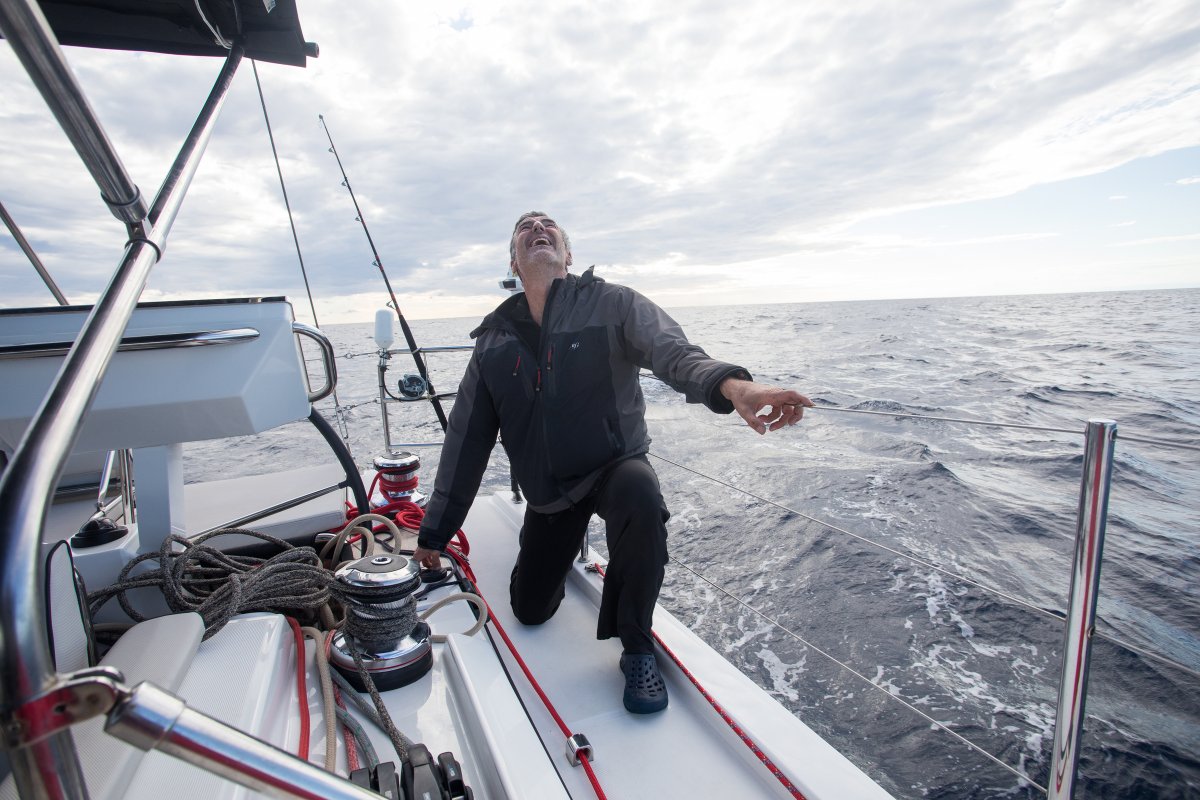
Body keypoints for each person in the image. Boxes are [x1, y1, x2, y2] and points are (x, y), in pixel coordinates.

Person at [414, 211, 812, 713]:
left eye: (548, 224)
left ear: (568, 253)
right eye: (524, 227)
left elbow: (674, 353)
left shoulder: (613, 303)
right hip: (550, 493)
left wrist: (734, 386)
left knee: (641, 495)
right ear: (514, 262)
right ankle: (553, 558)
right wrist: (435, 532)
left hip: (614, 465)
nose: (537, 227)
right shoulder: (494, 342)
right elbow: (466, 441)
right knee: (530, 612)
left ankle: (636, 645)